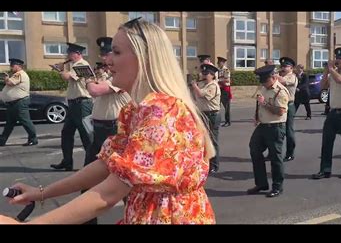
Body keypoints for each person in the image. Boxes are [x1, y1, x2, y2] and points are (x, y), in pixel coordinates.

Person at [0, 18, 215, 224]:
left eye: (117, 52)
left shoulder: (161, 111)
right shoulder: (137, 110)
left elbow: (110, 193)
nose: (108, 59)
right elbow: (104, 166)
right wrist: (42, 193)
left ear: (145, 58)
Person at [81, 37, 132, 224]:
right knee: (88, 180)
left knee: (124, 182)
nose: (105, 59)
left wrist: (87, 81)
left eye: (111, 54)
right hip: (100, 132)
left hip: (115, 132)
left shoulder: (120, 79)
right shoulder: (108, 77)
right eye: (103, 55)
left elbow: (95, 91)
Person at [311, 48, 341, 180]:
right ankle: (325, 170)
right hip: (333, 113)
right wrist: (326, 71)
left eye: (340, 58)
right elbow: (323, 86)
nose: (337, 60)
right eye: (336, 58)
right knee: (326, 142)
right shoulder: (333, 73)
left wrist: (331, 70)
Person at [247, 64, 289, 198]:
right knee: (254, 149)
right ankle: (261, 183)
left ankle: (277, 186)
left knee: (275, 157)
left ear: (273, 77)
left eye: (265, 80)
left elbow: (280, 111)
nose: (264, 84)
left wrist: (265, 104)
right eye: (262, 81)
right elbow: (258, 103)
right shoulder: (264, 87)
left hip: (275, 127)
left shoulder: (280, 91)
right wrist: (257, 117)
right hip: (263, 126)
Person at [50, 43, 93, 171]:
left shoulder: (81, 65)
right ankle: (67, 162)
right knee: (66, 133)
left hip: (82, 104)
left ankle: (91, 163)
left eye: (70, 53)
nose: (68, 55)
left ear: (78, 54)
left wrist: (60, 69)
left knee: (85, 135)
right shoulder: (75, 65)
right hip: (74, 104)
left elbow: (66, 77)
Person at [0, 58, 38, 147]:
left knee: (25, 121)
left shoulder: (19, 74)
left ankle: (33, 139)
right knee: (9, 123)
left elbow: (10, 83)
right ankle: (2, 140)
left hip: (20, 102)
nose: (11, 67)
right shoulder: (15, 74)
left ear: (19, 66)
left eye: (13, 66)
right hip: (12, 103)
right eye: (11, 65)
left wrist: (6, 78)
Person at [191, 63, 221, 173]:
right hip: (204, 114)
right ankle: (206, 162)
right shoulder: (203, 84)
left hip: (212, 115)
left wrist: (195, 86)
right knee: (203, 139)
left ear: (212, 75)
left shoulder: (213, 86)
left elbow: (200, 94)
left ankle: (214, 165)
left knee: (213, 140)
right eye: (204, 73)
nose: (204, 75)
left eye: (207, 73)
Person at [276, 57, 298, 162]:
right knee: (276, 130)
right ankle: (274, 152)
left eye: (285, 66)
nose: (283, 68)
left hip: (289, 105)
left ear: (291, 67)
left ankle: (290, 153)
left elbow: (282, 81)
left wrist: (274, 74)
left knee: (288, 130)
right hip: (279, 105)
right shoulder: (279, 75)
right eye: (282, 66)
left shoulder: (292, 77)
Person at [217, 56, 232, 127]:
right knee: (217, 105)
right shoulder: (218, 70)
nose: (218, 64)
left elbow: (227, 80)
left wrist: (218, 81)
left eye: (219, 62)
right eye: (218, 62)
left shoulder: (226, 70)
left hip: (225, 89)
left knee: (226, 106)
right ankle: (218, 120)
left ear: (222, 62)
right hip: (220, 89)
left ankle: (227, 121)